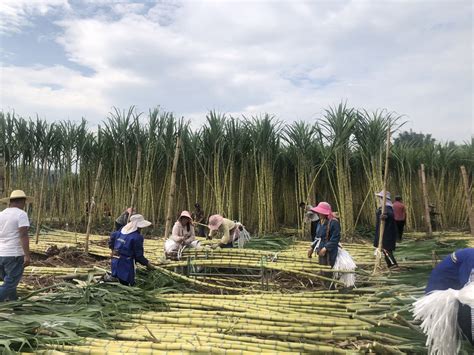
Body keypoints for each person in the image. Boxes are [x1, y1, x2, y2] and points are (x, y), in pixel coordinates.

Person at [413, 249, 474, 354]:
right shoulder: (472, 258)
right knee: (470, 310)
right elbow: (470, 293)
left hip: (455, 294)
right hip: (440, 301)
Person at [0, 190, 32, 301]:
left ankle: (15, 305)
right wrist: (27, 255)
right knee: (10, 283)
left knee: (9, 282)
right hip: (14, 254)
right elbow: (23, 235)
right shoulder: (21, 214)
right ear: (22, 202)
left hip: (1, 254)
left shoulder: (1, 214)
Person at [108, 214, 154, 286]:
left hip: (115, 261)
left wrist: (113, 250)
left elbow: (111, 240)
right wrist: (147, 264)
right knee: (126, 284)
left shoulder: (121, 231)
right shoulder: (137, 237)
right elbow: (138, 256)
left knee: (116, 280)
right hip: (126, 264)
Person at [306, 202, 340, 267]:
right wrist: (312, 247)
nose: (319, 214)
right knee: (322, 268)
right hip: (321, 249)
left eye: (321, 212)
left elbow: (335, 238)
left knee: (329, 268)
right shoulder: (320, 222)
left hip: (330, 251)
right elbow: (318, 237)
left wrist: (325, 248)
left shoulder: (333, 222)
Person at [373, 191, 398, 269]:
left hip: (386, 233)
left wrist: (385, 216)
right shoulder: (383, 208)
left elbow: (390, 215)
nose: (379, 199)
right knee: (385, 249)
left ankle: (393, 264)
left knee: (386, 249)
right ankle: (391, 264)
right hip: (383, 232)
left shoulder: (387, 208)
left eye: (380, 198)